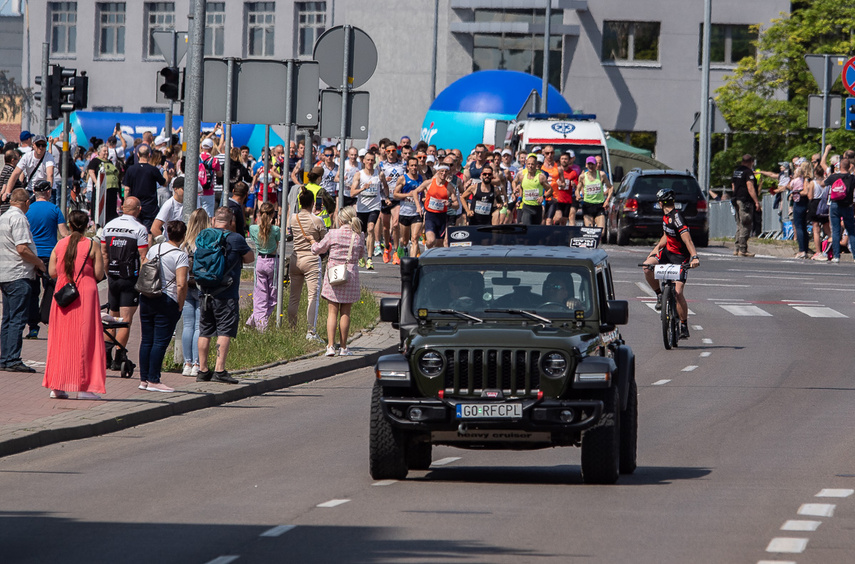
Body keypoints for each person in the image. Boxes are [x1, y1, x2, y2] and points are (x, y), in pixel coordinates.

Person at [41, 210, 104, 399]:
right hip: (85, 293)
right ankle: (85, 387)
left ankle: (57, 386)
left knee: (60, 340)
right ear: (87, 227)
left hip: (63, 294)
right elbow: (99, 274)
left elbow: (52, 271)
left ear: (69, 225)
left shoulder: (60, 245)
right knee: (86, 339)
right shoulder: (93, 245)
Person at [195, 206, 253, 384]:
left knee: (205, 331)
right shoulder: (236, 239)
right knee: (224, 331)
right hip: (226, 293)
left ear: (214, 220)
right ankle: (219, 370)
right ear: (231, 222)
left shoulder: (204, 236)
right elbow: (250, 258)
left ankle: (202, 370)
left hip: (205, 292)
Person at [642, 188, 700, 341]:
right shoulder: (666, 217)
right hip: (667, 253)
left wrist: (694, 257)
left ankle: (683, 325)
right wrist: (654, 251)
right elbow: (666, 236)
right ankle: (660, 295)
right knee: (647, 267)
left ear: (661, 203)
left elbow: (687, 239)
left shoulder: (677, 217)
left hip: (680, 257)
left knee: (678, 292)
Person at [138, 220, 189, 392]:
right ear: (183, 236)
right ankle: (154, 380)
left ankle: (144, 379)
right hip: (167, 300)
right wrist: (179, 306)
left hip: (146, 297)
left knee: (146, 340)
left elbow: (145, 267)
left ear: (167, 233)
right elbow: (181, 284)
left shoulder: (155, 249)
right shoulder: (180, 255)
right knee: (160, 342)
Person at [0, 189, 46, 372]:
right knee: (17, 319)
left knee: (8, 318)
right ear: (26, 202)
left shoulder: (3, 217)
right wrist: (39, 264)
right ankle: (12, 359)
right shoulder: (19, 218)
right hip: (18, 274)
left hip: (5, 273)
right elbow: (22, 248)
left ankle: (4, 358)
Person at [101, 197, 149, 371]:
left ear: (122, 208)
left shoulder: (109, 226)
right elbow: (143, 257)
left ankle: (105, 355)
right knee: (125, 320)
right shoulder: (139, 229)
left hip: (113, 277)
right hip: (130, 278)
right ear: (138, 209)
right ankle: (119, 357)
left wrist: (108, 274)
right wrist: (144, 281)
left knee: (111, 318)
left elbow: (104, 253)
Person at [311, 206, 366, 357]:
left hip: (334, 274)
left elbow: (318, 249)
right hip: (351, 275)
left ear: (340, 219)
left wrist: (312, 243)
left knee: (332, 312)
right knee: (345, 312)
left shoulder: (333, 233)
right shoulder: (359, 235)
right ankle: (343, 347)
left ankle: (330, 346)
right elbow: (361, 255)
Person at [25, 180, 69, 339]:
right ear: (48, 192)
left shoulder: (27, 209)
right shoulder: (55, 209)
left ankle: (33, 327)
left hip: (32, 256)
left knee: (33, 292)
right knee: (51, 289)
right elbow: (64, 234)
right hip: (51, 256)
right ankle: (52, 324)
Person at [289, 188, 327, 340]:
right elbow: (325, 242)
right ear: (313, 203)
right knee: (312, 297)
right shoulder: (317, 220)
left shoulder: (293, 218)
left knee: (294, 296)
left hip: (295, 257)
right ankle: (311, 331)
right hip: (311, 259)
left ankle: (292, 328)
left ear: (299, 202)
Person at [180, 208, 209, 377]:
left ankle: (187, 363)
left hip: (186, 286)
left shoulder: (185, 244)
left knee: (187, 326)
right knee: (200, 326)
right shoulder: (206, 242)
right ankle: (198, 363)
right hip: (201, 286)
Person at [246, 202, 281, 331]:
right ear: (273, 214)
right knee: (273, 296)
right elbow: (276, 245)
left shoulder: (253, 229)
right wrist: (276, 226)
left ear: (259, 214)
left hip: (260, 260)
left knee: (260, 296)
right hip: (272, 262)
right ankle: (262, 326)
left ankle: (254, 320)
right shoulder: (275, 230)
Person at [351, 152, 387, 269]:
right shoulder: (359, 175)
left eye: (372, 160)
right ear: (364, 161)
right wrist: (363, 188)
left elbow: (385, 185)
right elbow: (352, 193)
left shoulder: (379, 174)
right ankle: (361, 256)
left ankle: (370, 259)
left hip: (374, 207)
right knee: (361, 234)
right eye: (368, 160)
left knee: (371, 228)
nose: (370, 162)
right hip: (362, 208)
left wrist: (386, 197)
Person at [123, 144, 166, 231]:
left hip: (135, 205)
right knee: (148, 232)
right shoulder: (153, 170)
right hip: (150, 205)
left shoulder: (131, 169)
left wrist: (126, 202)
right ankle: (148, 245)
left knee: (134, 229)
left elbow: (127, 189)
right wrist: (165, 170)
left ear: (138, 154)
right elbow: (164, 183)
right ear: (149, 155)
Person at [823, 157, 855, 263]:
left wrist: (830, 174)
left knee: (836, 231)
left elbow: (823, 183)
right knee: (851, 231)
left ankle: (836, 256)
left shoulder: (834, 177)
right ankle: (854, 256)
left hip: (835, 205)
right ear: (849, 166)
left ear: (839, 166)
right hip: (848, 206)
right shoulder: (852, 178)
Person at [379, 141, 405, 263]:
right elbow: (377, 182)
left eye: (393, 151)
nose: (390, 153)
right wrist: (385, 197)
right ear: (385, 152)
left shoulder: (402, 164)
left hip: (397, 199)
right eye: (388, 151)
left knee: (395, 225)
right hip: (385, 198)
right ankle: (387, 247)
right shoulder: (381, 165)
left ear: (396, 151)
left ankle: (396, 251)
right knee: (385, 228)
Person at [393, 157, 424, 258]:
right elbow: (395, 195)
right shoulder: (403, 178)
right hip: (405, 212)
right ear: (408, 167)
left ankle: (412, 262)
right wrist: (408, 195)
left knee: (414, 238)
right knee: (404, 240)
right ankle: (401, 247)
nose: (414, 167)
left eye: (415, 165)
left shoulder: (421, 178)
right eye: (412, 165)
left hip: (417, 212)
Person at [731, 154, 761, 257]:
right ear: (751, 162)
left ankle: (736, 248)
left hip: (736, 199)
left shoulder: (737, 171)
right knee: (746, 224)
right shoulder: (748, 172)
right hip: (745, 201)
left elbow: (733, 186)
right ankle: (743, 249)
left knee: (739, 224)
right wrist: (756, 201)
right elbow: (750, 187)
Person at [86, 144, 122, 224]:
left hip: (112, 188)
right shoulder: (95, 161)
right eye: (104, 151)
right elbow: (91, 172)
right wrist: (97, 183)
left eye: (107, 151)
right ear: (99, 152)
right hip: (102, 189)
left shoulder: (110, 162)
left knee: (111, 206)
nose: (106, 153)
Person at [513, 154, 551, 225]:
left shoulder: (541, 177)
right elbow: (514, 182)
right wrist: (515, 190)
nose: (530, 166)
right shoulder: (521, 175)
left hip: (537, 208)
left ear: (536, 165)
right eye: (529, 164)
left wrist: (543, 197)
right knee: (527, 227)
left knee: (535, 230)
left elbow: (550, 190)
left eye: (532, 164)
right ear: (526, 164)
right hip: (527, 207)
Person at [577, 155, 612, 231]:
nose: (590, 166)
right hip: (587, 205)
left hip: (599, 205)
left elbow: (611, 187)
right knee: (589, 231)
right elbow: (577, 189)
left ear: (595, 165)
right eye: (589, 164)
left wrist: (607, 200)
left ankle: (597, 242)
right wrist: (577, 195)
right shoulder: (582, 176)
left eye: (592, 164)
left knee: (601, 232)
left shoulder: (601, 175)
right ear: (586, 165)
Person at [151, 176, 185, 241]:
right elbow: (154, 228)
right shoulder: (169, 204)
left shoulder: (190, 202)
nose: (187, 191)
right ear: (175, 189)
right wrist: (164, 245)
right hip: (171, 242)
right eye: (183, 189)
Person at [789, 161, 811, 259]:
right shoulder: (809, 179)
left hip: (801, 203)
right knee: (803, 227)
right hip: (805, 204)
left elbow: (805, 192)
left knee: (799, 226)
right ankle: (805, 248)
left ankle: (802, 250)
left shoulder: (805, 179)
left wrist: (796, 192)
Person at [549, 151, 578, 226]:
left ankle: (560, 235)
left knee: (564, 221)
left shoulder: (573, 173)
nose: (564, 160)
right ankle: (553, 227)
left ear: (569, 160)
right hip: (557, 199)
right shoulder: (555, 171)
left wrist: (574, 184)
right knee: (558, 217)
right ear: (560, 160)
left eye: (566, 159)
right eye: (562, 159)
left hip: (567, 200)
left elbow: (576, 184)